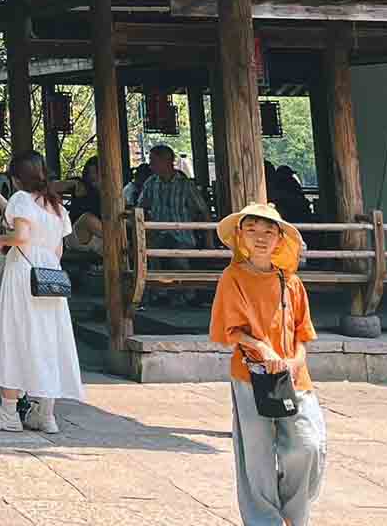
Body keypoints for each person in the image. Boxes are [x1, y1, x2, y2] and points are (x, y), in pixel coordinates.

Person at [212, 202, 324, 525]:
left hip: (293, 378)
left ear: (279, 239)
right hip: (252, 376)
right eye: (252, 230)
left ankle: (294, 514)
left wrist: (294, 361)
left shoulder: (292, 283)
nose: (260, 238)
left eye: (268, 232)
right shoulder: (232, 277)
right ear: (241, 237)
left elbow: (303, 334)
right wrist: (262, 348)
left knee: (309, 445)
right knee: (257, 457)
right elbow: (231, 331)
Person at [0, 150, 85, 433]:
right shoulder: (55, 204)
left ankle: (8, 411)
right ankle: (44, 414)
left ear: (16, 178)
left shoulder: (21, 199)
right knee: (46, 339)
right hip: (50, 276)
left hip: (23, 276)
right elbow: (58, 248)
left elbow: (21, 236)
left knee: (14, 335)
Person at [139, 144, 210, 269]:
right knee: (148, 256)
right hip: (158, 236)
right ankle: (159, 287)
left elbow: (203, 211)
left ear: (166, 161)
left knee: (178, 260)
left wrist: (209, 241)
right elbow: (140, 209)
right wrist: (147, 231)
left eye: (153, 161)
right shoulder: (150, 184)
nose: (151, 165)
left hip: (182, 237)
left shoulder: (186, 185)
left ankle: (187, 287)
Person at [56, 156, 106, 255]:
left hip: (99, 236)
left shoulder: (110, 190)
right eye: (89, 172)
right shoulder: (80, 184)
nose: (93, 176)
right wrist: (72, 183)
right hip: (76, 234)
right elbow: (51, 187)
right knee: (87, 219)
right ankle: (116, 239)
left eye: (96, 172)